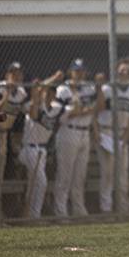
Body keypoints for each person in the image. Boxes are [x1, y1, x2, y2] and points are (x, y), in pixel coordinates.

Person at [54, 58, 104, 218]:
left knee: (80, 175)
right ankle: (61, 211)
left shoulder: (89, 87)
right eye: (77, 71)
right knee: (65, 175)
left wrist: (99, 87)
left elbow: (100, 107)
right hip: (68, 132)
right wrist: (84, 110)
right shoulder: (64, 89)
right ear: (71, 72)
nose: (80, 74)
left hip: (85, 132)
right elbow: (61, 116)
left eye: (82, 71)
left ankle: (79, 210)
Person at [95, 58, 129, 213]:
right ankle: (106, 208)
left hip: (122, 134)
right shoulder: (107, 89)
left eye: (127, 70)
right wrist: (99, 88)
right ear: (116, 71)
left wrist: (125, 138)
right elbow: (97, 110)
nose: (124, 72)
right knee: (107, 173)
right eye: (121, 69)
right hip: (106, 131)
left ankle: (123, 208)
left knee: (122, 174)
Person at [19, 71, 66, 218]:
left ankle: (28, 215)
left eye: (52, 92)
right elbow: (35, 102)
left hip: (42, 151)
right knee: (41, 182)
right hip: (29, 148)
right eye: (47, 91)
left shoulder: (56, 108)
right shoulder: (32, 106)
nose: (48, 94)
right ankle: (35, 215)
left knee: (34, 184)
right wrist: (51, 79)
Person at [0, 62, 29, 222]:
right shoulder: (1, 88)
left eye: (18, 73)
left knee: (0, 177)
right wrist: (6, 94)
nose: (16, 76)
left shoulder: (22, 93)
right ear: (6, 75)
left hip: (4, 135)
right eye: (13, 73)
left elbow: (19, 116)